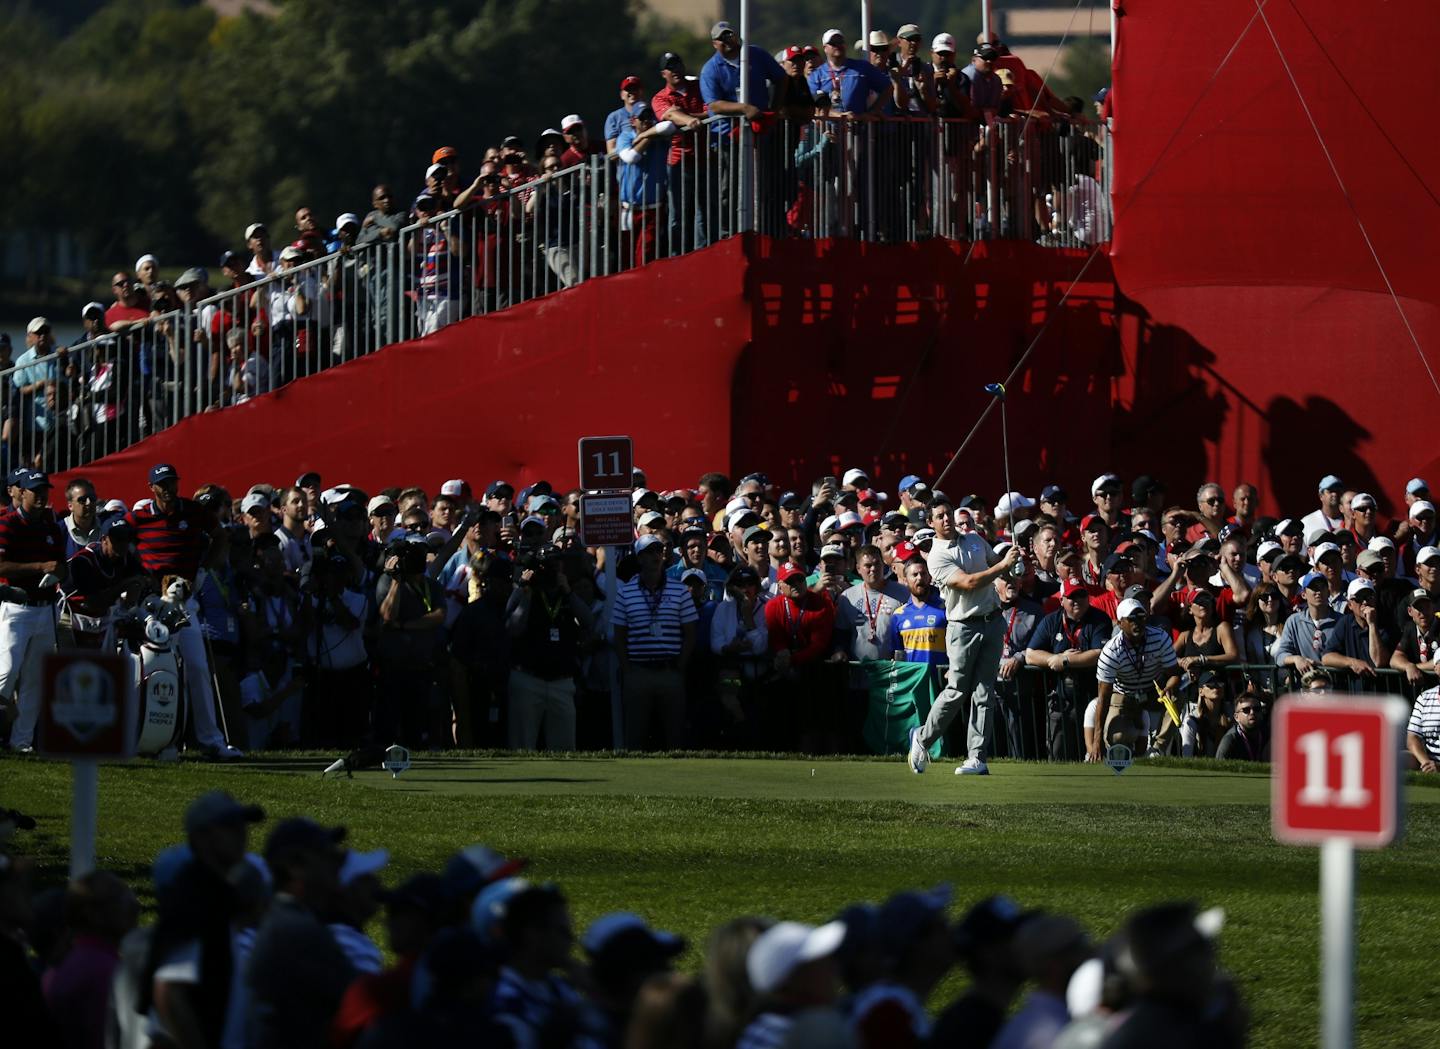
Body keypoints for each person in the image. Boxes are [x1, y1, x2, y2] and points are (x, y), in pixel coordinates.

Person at [125, 462, 241, 759]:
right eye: (162, 484)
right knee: (161, 671)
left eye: (172, 483)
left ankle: (210, 740)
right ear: (151, 488)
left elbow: (221, 537)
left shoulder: (192, 512)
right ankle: (164, 741)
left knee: (198, 669)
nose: (168, 489)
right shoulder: (138, 517)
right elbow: (118, 541)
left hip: (185, 602)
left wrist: (203, 570)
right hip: (154, 605)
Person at [908, 498, 1023, 775]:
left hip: (992, 621)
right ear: (931, 523)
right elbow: (969, 583)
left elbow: (996, 563)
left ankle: (977, 758)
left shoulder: (974, 539)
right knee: (957, 691)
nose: (946, 519)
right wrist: (1002, 566)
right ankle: (922, 738)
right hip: (963, 627)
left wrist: (1013, 565)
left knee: (985, 691)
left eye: (948, 513)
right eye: (940, 516)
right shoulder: (936, 555)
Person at [245, 818, 355, 1049]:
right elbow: (358, 1004)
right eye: (325, 854)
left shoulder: (284, 920)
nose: (338, 860)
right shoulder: (297, 931)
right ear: (296, 867)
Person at [0, 470, 65, 752]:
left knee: (34, 680)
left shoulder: (51, 526)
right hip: (16, 607)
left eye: (44, 490)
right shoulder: (8, 524)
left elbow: (61, 564)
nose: (41, 495)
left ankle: (21, 741)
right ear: (21, 493)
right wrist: (40, 567)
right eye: (34, 490)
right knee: (6, 672)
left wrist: (56, 572)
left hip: (45, 608)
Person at [504, 547, 593, 751]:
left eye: (556, 563)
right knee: (522, 746)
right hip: (528, 679)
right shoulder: (523, 590)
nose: (551, 569)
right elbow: (513, 629)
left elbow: (589, 622)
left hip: (561, 681)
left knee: (564, 749)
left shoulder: (567, 593)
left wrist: (568, 592)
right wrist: (525, 592)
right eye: (546, 564)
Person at [613, 534, 696, 750]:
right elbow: (619, 635)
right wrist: (628, 669)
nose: (655, 556)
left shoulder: (680, 590)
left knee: (674, 735)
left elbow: (690, 633)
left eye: (658, 550)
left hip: (670, 671)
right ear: (639, 558)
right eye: (649, 552)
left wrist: (680, 666)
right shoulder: (626, 592)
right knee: (636, 735)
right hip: (638, 672)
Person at [374, 533, 445, 746]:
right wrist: (397, 581)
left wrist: (405, 625)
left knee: (416, 728)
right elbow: (387, 616)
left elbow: (439, 616)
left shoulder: (431, 586)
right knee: (387, 726)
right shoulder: (387, 581)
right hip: (393, 666)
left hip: (422, 666)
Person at [738, 920, 846, 1049]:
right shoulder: (808, 1038)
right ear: (794, 978)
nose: (833, 967)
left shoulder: (762, 1028)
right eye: (820, 961)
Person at [1094, 598, 1181, 756]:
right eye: (1131, 619)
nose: (1137, 622)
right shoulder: (1111, 651)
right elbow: (1104, 696)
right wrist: (1097, 742)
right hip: (1123, 694)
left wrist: (1169, 687)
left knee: (1175, 697)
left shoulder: (1160, 637)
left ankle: (1158, 749)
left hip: (1153, 691)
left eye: (1141, 617)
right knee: (1116, 737)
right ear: (1120, 623)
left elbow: (1174, 673)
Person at [1215, 691, 1268, 761]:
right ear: (1236, 717)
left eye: (1256, 709)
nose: (1252, 712)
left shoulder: (1268, 736)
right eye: (1246, 710)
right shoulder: (1230, 741)